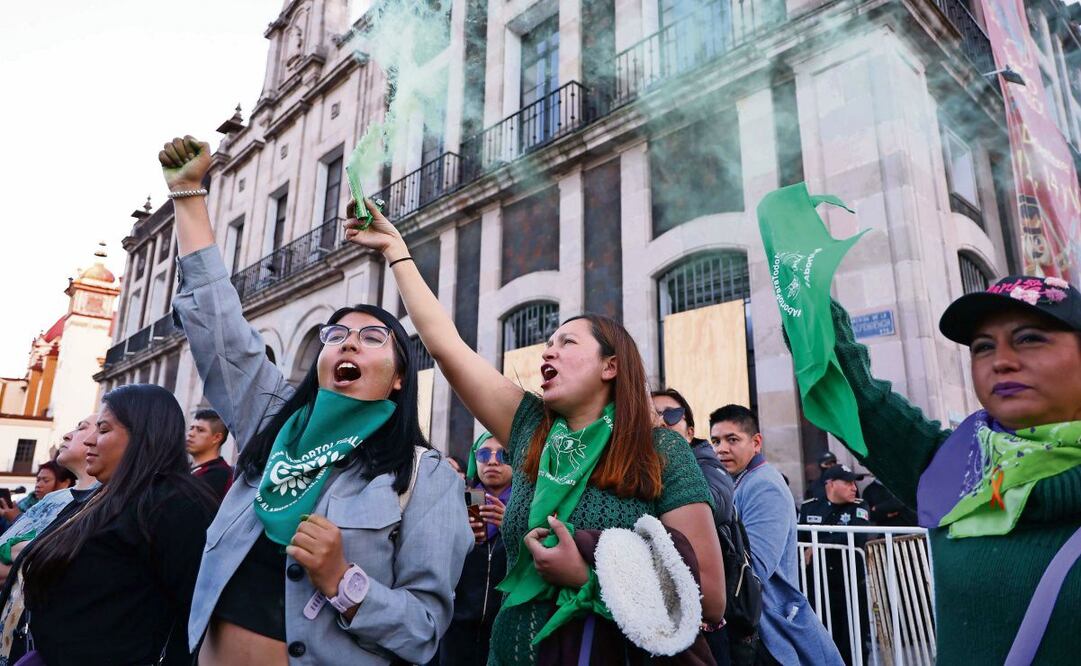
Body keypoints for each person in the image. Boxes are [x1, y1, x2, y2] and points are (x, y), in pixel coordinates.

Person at [344, 196, 726, 665]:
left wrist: (587, 576)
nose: (548, 353)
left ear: (611, 365)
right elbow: (445, 346)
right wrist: (395, 249)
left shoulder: (660, 449)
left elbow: (709, 594)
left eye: (566, 342)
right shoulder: (529, 426)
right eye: (546, 345)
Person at [160, 136, 472, 665]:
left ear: (400, 377)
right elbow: (219, 327)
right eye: (335, 335)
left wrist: (342, 581)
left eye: (373, 338)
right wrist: (189, 195)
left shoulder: (426, 477)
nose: (348, 341)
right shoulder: (272, 417)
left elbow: (423, 631)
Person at [813, 275, 1081, 662]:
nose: (1001, 361)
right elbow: (853, 395)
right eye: (982, 347)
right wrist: (801, 279)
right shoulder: (956, 468)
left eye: (1029, 338)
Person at [4, 384, 218, 665]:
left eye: (103, 430)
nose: (90, 440)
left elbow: (195, 612)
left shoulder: (176, 505)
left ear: (143, 434)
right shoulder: (103, 496)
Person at [710, 404, 842, 665]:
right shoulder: (741, 480)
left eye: (732, 439)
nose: (721, 448)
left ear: (756, 442)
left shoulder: (764, 485)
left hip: (770, 630)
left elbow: (755, 568)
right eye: (715, 440)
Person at [651, 388, 736, 665]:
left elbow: (718, 505)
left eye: (672, 415)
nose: (662, 421)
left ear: (690, 433)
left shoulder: (707, 464)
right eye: (652, 414)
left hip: (706, 621)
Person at [436, 433, 512, 665]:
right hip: (455, 628)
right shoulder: (459, 500)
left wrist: (512, 528)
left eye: (503, 454)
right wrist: (456, 531)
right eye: (483, 454)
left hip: (504, 629)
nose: (492, 461)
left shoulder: (530, 507)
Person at [0, 416, 100, 581]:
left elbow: (48, 562)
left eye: (81, 428)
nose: (67, 435)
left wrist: (20, 551)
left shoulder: (105, 502)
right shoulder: (55, 498)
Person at [797, 465, 872, 665]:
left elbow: (856, 537)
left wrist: (818, 544)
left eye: (854, 482)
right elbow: (799, 543)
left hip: (851, 587)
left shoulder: (859, 506)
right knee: (822, 642)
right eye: (847, 482)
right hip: (819, 589)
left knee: (853, 643)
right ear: (830, 484)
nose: (854, 487)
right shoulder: (810, 507)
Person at [187, 408, 233, 501]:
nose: (191, 434)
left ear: (217, 437)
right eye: (191, 428)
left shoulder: (220, 474)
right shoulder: (184, 468)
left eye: (200, 430)